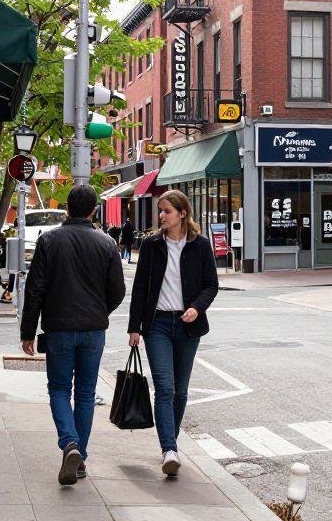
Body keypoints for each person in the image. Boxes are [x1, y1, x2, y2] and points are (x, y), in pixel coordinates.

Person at [21, 185, 126, 486]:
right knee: (85, 393)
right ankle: (80, 456)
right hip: (94, 329)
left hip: (59, 328)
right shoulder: (107, 243)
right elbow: (117, 291)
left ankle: (69, 444)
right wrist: (98, 310)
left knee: (58, 389)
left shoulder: (49, 240)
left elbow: (35, 288)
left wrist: (28, 331)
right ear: (94, 210)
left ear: (67, 208)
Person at [128, 190, 218, 477]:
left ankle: (171, 445)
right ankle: (169, 448)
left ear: (182, 213)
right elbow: (140, 288)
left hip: (188, 326)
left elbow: (210, 285)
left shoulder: (200, 246)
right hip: (157, 326)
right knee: (165, 388)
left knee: (180, 391)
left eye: (166, 211)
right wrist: (134, 327)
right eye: (160, 211)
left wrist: (197, 307)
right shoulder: (152, 245)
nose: (161, 216)